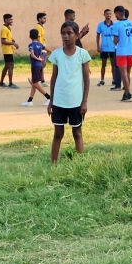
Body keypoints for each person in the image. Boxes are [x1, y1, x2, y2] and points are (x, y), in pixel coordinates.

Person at [47, 21, 91, 163]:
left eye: (69, 33)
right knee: (58, 134)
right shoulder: (57, 54)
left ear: (77, 35)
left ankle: (79, 163)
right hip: (60, 100)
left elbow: (86, 78)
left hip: (76, 101)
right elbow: (53, 78)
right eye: (63, 33)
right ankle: (53, 164)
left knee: (77, 132)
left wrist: (84, 101)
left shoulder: (82, 54)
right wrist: (51, 101)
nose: (65, 36)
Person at [112, 5, 132, 102]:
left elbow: (115, 40)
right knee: (128, 73)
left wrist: (115, 41)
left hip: (121, 52)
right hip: (131, 51)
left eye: (116, 14)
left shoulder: (116, 25)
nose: (116, 17)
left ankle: (128, 93)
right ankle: (126, 92)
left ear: (119, 13)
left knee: (123, 75)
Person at [22, 29, 51, 107]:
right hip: (40, 65)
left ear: (30, 36)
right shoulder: (40, 44)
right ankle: (30, 100)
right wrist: (42, 56)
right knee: (34, 83)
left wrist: (38, 58)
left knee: (35, 83)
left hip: (35, 65)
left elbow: (32, 55)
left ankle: (49, 97)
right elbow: (49, 51)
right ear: (38, 36)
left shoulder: (31, 45)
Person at [95, 9, 120, 89]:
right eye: (106, 14)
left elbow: (117, 36)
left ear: (111, 15)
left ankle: (114, 79)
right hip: (104, 47)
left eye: (109, 14)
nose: (108, 15)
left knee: (113, 64)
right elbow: (98, 36)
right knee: (103, 64)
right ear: (104, 15)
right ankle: (102, 79)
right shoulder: (100, 25)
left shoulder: (115, 25)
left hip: (113, 47)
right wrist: (98, 46)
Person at [0, 13, 19, 88]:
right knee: (11, 66)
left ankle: (1, 82)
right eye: (10, 19)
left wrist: (12, 39)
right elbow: (3, 41)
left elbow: (7, 38)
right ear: (5, 20)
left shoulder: (7, 28)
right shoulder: (4, 29)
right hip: (7, 50)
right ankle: (10, 83)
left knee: (7, 66)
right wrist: (13, 43)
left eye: (12, 19)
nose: (11, 21)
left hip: (8, 50)